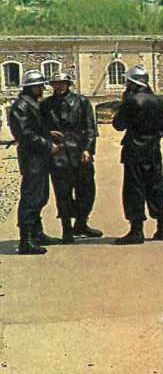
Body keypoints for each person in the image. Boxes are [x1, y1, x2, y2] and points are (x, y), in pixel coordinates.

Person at [112, 64, 163, 245]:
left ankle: (136, 230)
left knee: (134, 189)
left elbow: (118, 124)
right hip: (153, 149)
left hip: (134, 150)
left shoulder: (131, 101)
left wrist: (124, 104)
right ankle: (162, 227)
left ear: (132, 82)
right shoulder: (158, 101)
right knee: (156, 187)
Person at [42, 71, 102, 242]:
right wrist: (48, 135)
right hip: (58, 154)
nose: (59, 86)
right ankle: (67, 229)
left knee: (87, 191)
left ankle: (81, 223)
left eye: (62, 83)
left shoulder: (81, 102)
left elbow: (90, 128)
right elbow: (39, 127)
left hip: (79, 151)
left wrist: (88, 149)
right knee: (63, 192)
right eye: (55, 83)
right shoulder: (46, 105)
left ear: (68, 84)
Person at [8, 70, 62, 254]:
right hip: (32, 158)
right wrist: (47, 145)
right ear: (31, 87)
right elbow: (25, 134)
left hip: (38, 158)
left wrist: (48, 134)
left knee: (41, 195)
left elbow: (35, 129)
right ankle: (26, 239)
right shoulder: (20, 106)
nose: (42, 89)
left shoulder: (31, 104)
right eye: (39, 86)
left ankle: (36, 232)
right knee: (31, 198)